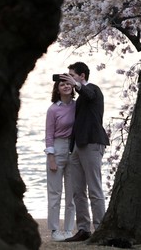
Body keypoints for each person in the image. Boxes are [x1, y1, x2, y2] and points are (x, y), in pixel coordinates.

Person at [60, 61, 110, 242]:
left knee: (94, 189)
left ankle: (99, 230)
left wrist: (76, 85)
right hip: (77, 147)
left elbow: (87, 93)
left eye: (72, 75)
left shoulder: (93, 90)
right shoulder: (80, 96)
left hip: (92, 143)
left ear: (82, 76)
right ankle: (83, 230)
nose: (69, 79)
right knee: (77, 191)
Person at [45, 79, 76, 242]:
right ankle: (55, 230)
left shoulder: (78, 106)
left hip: (74, 149)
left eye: (68, 84)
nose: (66, 86)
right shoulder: (53, 110)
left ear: (73, 87)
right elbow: (49, 135)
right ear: (57, 89)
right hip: (57, 149)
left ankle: (69, 229)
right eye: (62, 84)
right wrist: (51, 158)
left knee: (72, 193)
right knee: (55, 192)